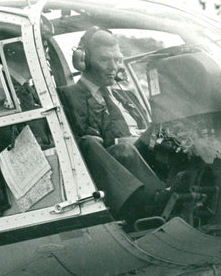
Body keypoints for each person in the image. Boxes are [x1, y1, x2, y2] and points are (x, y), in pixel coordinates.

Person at [58, 27, 169, 228]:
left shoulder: (127, 96)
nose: (113, 67)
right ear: (83, 61)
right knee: (122, 149)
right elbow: (85, 143)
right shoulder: (68, 96)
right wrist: (123, 141)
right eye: (105, 60)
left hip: (147, 155)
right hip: (115, 164)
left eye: (117, 60)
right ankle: (153, 199)